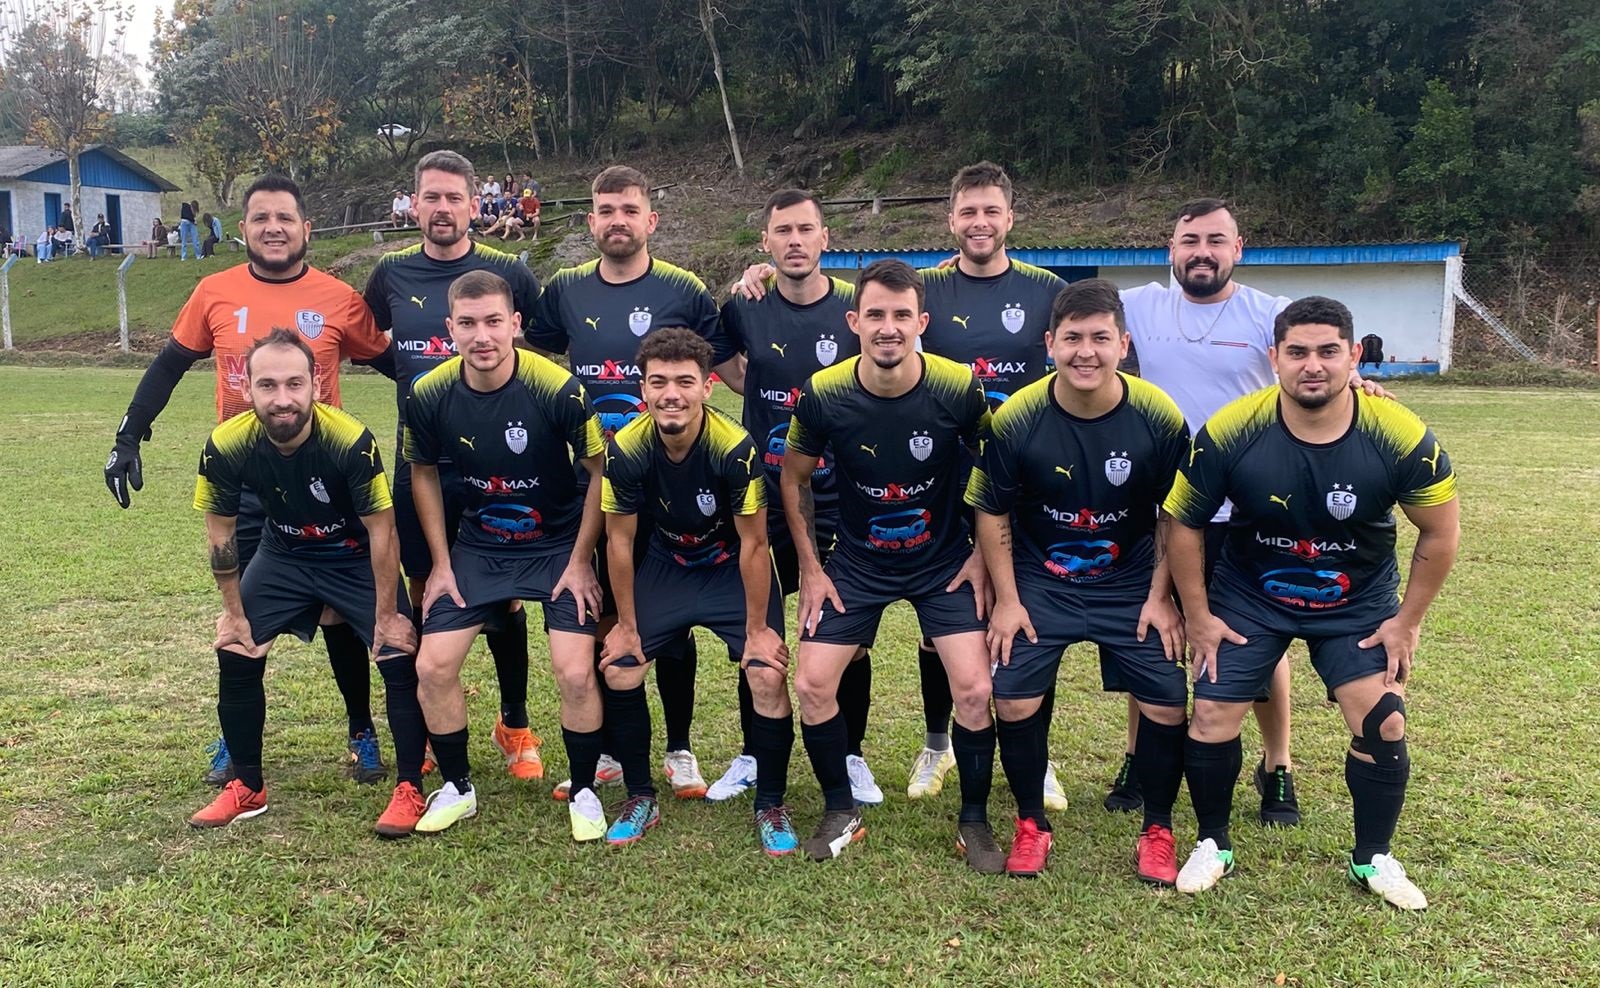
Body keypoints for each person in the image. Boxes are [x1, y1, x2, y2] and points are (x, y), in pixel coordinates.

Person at [734, 163, 1068, 807]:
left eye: (991, 211)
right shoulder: (928, 285)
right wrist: (760, 275)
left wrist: (981, 549)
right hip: (884, 514)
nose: (979, 223)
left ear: (1010, 217)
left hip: (996, 498)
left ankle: (1036, 759)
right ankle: (934, 746)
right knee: (881, 651)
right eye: (968, 212)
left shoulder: (1046, 289)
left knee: (1018, 631)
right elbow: (841, 290)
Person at [104, 174, 399, 788]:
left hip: (325, 486)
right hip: (246, 484)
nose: (273, 227)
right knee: (240, 613)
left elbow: (396, 365)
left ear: (305, 229)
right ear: (243, 230)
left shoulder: (339, 297)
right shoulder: (215, 291)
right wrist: (129, 435)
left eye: (285, 217)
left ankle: (360, 729)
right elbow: (169, 364)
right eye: (261, 217)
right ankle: (236, 739)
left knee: (338, 614)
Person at [1164, 296, 1459, 910]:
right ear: (1274, 357)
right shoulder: (1231, 429)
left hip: (1356, 601)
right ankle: (1212, 843)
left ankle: (1373, 857)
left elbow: (1440, 530)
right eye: (1297, 352)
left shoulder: (1399, 433)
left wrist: (1406, 622)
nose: (1313, 365)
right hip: (1251, 595)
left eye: (1328, 351)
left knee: (1385, 720)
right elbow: (1183, 521)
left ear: (1355, 356)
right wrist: (1199, 616)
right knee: (1211, 715)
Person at [1108, 198, 1392, 821]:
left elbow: (1318, 357)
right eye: (1190, 240)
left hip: (1251, 513)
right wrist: (952, 271)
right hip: (1168, 510)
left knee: (1259, 645)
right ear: (1171, 249)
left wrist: (1359, 382)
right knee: (1153, 637)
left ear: (1238, 248)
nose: (1202, 252)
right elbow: (1059, 310)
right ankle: (1138, 756)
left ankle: (1277, 765)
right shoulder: (1141, 305)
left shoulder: (1267, 313)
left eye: (1216, 240)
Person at [525, 164, 743, 800]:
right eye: (605, 210)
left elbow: (732, 369)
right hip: (593, 483)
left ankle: (679, 750)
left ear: (651, 219)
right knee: (605, 614)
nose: (616, 221)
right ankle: (613, 753)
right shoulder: (564, 289)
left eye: (628, 210)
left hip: (669, 485)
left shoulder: (684, 288)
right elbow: (533, 363)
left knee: (668, 619)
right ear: (590, 220)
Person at [968, 279, 1190, 880]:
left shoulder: (1158, 414)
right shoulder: (1016, 416)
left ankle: (1158, 829)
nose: (1085, 352)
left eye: (1099, 338)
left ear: (1123, 344)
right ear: (1049, 344)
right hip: (1042, 579)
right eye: (1071, 338)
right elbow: (991, 510)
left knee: (1167, 701)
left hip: (1131, 581)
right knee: (1013, 697)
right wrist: (1008, 600)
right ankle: (1031, 823)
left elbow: (1175, 512)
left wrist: (1160, 596)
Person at [781, 259, 1000, 869]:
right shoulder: (824, 392)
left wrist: (981, 556)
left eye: (902, 315)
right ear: (854, 321)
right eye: (875, 314)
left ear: (921, 323)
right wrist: (811, 568)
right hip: (857, 562)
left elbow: (996, 469)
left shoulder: (958, 386)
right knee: (812, 684)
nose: (888, 327)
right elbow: (794, 478)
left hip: (943, 562)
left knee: (976, 690)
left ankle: (974, 821)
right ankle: (840, 808)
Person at [187, 330, 428, 837]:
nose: (283, 399)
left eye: (294, 384)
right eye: (268, 385)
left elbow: (383, 532)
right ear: (245, 388)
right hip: (285, 554)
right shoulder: (225, 444)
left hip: (351, 555)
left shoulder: (349, 440)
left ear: (315, 385)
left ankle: (410, 786)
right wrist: (234, 613)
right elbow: (221, 537)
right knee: (236, 647)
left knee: (397, 649)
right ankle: (247, 785)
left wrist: (388, 614)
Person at [363, 150, 548, 785]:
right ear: (413, 204)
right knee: (429, 587)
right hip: (422, 463)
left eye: (453, 198)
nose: (442, 209)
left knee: (506, 598)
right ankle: (435, 713)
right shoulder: (390, 272)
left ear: (475, 204)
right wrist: (416, 381)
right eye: (431, 197)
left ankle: (515, 723)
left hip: (501, 465)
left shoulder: (507, 271)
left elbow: (543, 342)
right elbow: (369, 342)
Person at [405, 269, 609, 838]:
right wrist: (441, 564)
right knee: (432, 666)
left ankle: (585, 790)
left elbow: (600, 472)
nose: (482, 336)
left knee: (575, 671)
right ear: (449, 329)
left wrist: (580, 561)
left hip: (556, 545)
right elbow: (423, 473)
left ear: (515, 323)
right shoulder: (429, 393)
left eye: (494, 321)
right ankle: (458, 788)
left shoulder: (558, 388)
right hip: (480, 545)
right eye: (468, 324)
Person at [713, 188, 880, 807]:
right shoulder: (746, 303)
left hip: (843, 495)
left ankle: (851, 755)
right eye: (782, 231)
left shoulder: (854, 308)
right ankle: (755, 753)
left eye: (806, 229)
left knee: (847, 632)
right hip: (765, 494)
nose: (795, 241)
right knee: (757, 626)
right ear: (766, 242)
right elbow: (729, 367)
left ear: (824, 238)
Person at [598, 328, 795, 851]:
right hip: (669, 565)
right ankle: (640, 797)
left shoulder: (734, 448)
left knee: (766, 674)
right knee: (620, 669)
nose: (671, 394)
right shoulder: (626, 449)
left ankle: (771, 805)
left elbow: (755, 544)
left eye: (684, 382)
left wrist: (758, 629)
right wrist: (626, 625)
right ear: (642, 388)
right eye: (659, 382)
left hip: (730, 566)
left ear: (707, 387)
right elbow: (620, 542)